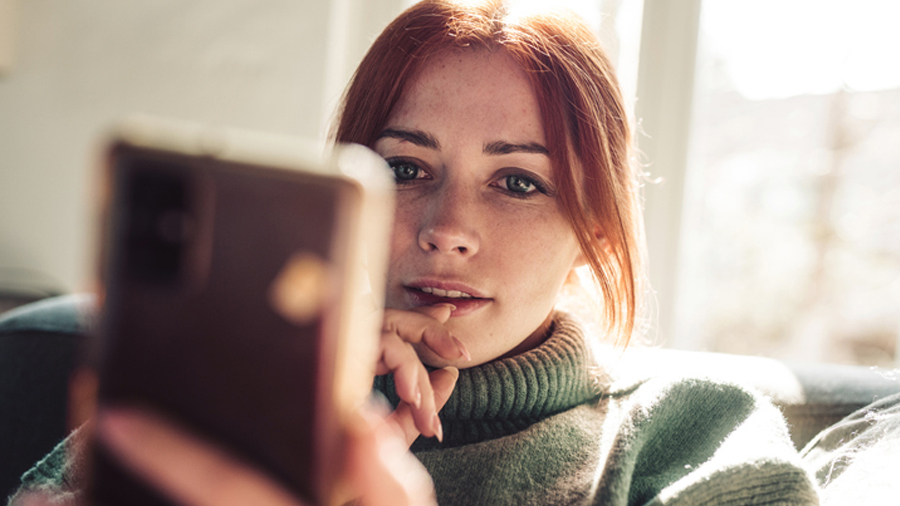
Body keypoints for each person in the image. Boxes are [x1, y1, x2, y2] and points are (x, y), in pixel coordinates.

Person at [9, 1, 822, 505]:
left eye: (517, 182)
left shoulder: (694, 428)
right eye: (406, 169)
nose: (447, 225)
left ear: (596, 232)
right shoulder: (220, 393)